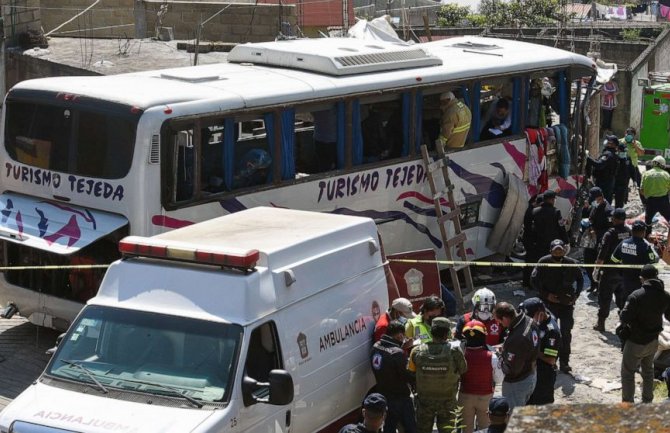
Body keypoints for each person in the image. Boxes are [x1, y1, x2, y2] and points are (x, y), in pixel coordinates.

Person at [619, 264, 670, 403]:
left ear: (642, 278)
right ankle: (647, 401)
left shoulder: (636, 295)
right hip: (653, 341)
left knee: (628, 373)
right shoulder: (665, 295)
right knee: (648, 372)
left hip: (635, 341)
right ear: (656, 276)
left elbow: (624, 317)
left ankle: (628, 404)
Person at [530, 239, 582, 373]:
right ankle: (550, 360)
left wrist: (576, 295)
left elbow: (580, 279)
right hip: (548, 305)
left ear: (564, 250)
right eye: (556, 250)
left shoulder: (571, 264)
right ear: (550, 250)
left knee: (566, 333)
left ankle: (565, 362)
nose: (558, 252)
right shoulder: (543, 262)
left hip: (566, 305)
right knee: (549, 334)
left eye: (560, 250)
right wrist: (546, 295)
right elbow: (533, 280)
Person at [408, 317, 467, 433]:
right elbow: (463, 370)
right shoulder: (455, 351)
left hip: (424, 402)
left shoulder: (416, 351)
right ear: (447, 333)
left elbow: (411, 373)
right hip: (447, 402)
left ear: (431, 331)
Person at [370, 320, 417, 433]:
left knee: (388, 428)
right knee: (411, 428)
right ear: (399, 335)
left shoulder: (376, 346)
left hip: (384, 395)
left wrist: (402, 346)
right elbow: (408, 375)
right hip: (401, 398)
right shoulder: (397, 353)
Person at [459, 320, 504, 433]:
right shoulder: (492, 356)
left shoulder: (460, 355)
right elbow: (499, 379)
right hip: (485, 398)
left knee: (465, 429)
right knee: (485, 429)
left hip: (465, 397)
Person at [494, 302, 540, 409]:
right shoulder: (529, 320)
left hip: (517, 384)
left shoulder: (518, 338)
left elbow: (511, 370)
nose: (500, 324)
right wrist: (507, 348)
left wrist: (499, 356)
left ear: (505, 318)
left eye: (499, 321)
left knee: (512, 417)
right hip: (531, 374)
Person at [593, 208, 631, 332]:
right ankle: (624, 323)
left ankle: (601, 323)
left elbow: (602, 253)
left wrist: (597, 268)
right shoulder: (629, 232)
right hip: (624, 272)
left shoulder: (610, 234)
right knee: (622, 299)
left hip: (609, 271)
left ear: (614, 219)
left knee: (605, 297)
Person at [520, 298, 561, 405]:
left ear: (540, 314)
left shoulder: (551, 332)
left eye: (530, 317)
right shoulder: (542, 318)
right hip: (533, 372)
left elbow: (551, 359)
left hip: (544, 375)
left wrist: (532, 350)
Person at [611, 220, 659, 309]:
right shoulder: (645, 246)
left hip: (625, 279)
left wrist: (622, 267)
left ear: (632, 231)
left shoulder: (624, 243)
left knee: (625, 303)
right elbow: (653, 261)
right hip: (640, 281)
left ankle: (623, 320)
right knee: (639, 304)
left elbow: (614, 259)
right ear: (643, 232)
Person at [527, 189, 568, 262]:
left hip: (538, 244)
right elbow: (561, 227)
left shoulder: (534, 211)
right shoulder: (556, 212)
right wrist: (566, 241)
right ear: (552, 200)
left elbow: (530, 228)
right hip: (552, 244)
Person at [640, 155, 670, 234]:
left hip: (651, 201)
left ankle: (647, 237)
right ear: (662, 164)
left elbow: (641, 190)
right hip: (663, 201)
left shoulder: (646, 174)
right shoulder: (666, 174)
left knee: (648, 221)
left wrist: (647, 196)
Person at [587, 135, 619, 203]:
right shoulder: (612, 153)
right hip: (608, 181)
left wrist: (588, 158)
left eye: (608, 141)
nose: (606, 142)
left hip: (604, 182)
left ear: (612, 144)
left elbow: (599, 165)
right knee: (606, 201)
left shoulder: (608, 154)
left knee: (601, 202)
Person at [522, 194, 543, 289]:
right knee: (531, 262)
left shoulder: (530, 209)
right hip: (531, 240)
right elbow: (532, 228)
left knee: (529, 261)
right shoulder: (532, 212)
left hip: (528, 239)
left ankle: (527, 282)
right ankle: (529, 282)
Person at [588, 186, 613, 255]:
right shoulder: (596, 205)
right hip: (593, 236)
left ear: (600, 197)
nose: (592, 201)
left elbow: (610, 229)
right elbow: (592, 216)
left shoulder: (608, 211)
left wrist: (596, 232)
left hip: (602, 239)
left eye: (593, 199)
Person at [613, 142, 631, 207]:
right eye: (622, 150)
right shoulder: (615, 158)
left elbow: (632, 169)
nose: (624, 152)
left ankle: (618, 213)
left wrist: (634, 179)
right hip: (615, 182)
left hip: (623, 183)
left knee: (620, 202)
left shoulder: (628, 158)